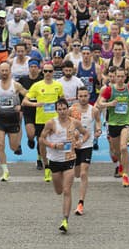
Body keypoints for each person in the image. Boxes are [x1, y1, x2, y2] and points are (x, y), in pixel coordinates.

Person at [40, 98, 90, 233]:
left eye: (64, 109)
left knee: (67, 190)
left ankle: (65, 220)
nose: (62, 112)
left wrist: (80, 141)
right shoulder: (51, 123)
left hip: (69, 160)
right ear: (56, 110)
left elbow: (86, 134)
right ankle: (53, 178)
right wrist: (53, 145)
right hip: (55, 161)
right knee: (59, 191)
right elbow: (42, 138)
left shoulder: (75, 122)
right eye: (59, 109)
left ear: (68, 109)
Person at [97, 67, 129, 187]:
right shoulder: (109, 90)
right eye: (118, 76)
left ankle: (125, 175)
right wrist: (109, 104)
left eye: (123, 76)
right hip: (113, 123)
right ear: (114, 77)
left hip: (126, 121)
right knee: (116, 151)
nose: (121, 79)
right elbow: (99, 104)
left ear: (125, 77)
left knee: (123, 148)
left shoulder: (128, 87)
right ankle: (121, 164)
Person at [0, 62, 27, 181]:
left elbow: (28, 94)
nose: (4, 73)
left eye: (6, 70)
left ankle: (17, 144)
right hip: (0, 119)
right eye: (2, 71)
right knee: (0, 144)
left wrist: (21, 106)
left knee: (13, 147)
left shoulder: (16, 85)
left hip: (13, 119)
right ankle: (5, 171)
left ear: (10, 71)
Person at [23, 62, 65, 181]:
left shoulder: (58, 85)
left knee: (56, 143)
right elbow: (25, 101)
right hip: (41, 120)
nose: (47, 73)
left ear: (53, 73)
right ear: (42, 72)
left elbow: (62, 100)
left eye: (50, 71)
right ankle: (46, 166)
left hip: (55, 120)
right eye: (45, 71)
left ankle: (55, 166)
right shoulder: (36, 85)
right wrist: (36, 104)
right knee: (42, 144)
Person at [69, 87, 101, 216]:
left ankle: (81, 203)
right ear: (77, 97)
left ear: (89, 96)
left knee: (83, 173)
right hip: (75, 145)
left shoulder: (94, 110)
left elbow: (98, 121)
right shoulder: (72, 110)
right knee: (76, 174)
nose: (83, 98)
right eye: (80, 96)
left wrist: (98, 130)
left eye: (85, 96)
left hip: (87, 144)